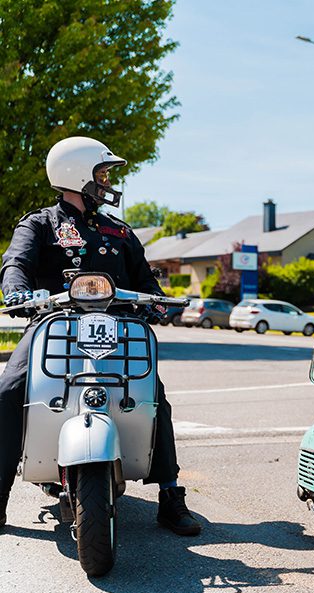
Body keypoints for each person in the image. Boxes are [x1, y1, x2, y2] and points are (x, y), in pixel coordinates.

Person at [0, 136, 201, 535]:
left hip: (117, 331)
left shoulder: (121, 233)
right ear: (78, 175)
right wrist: (17, 292)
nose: (108, 182)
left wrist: (159, 303)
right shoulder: (40, 223)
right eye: (102, 174)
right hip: (51, 327)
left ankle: (170, 496)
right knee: (9, 390)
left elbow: (146, 282)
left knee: (154, 396)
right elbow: (15, 263)